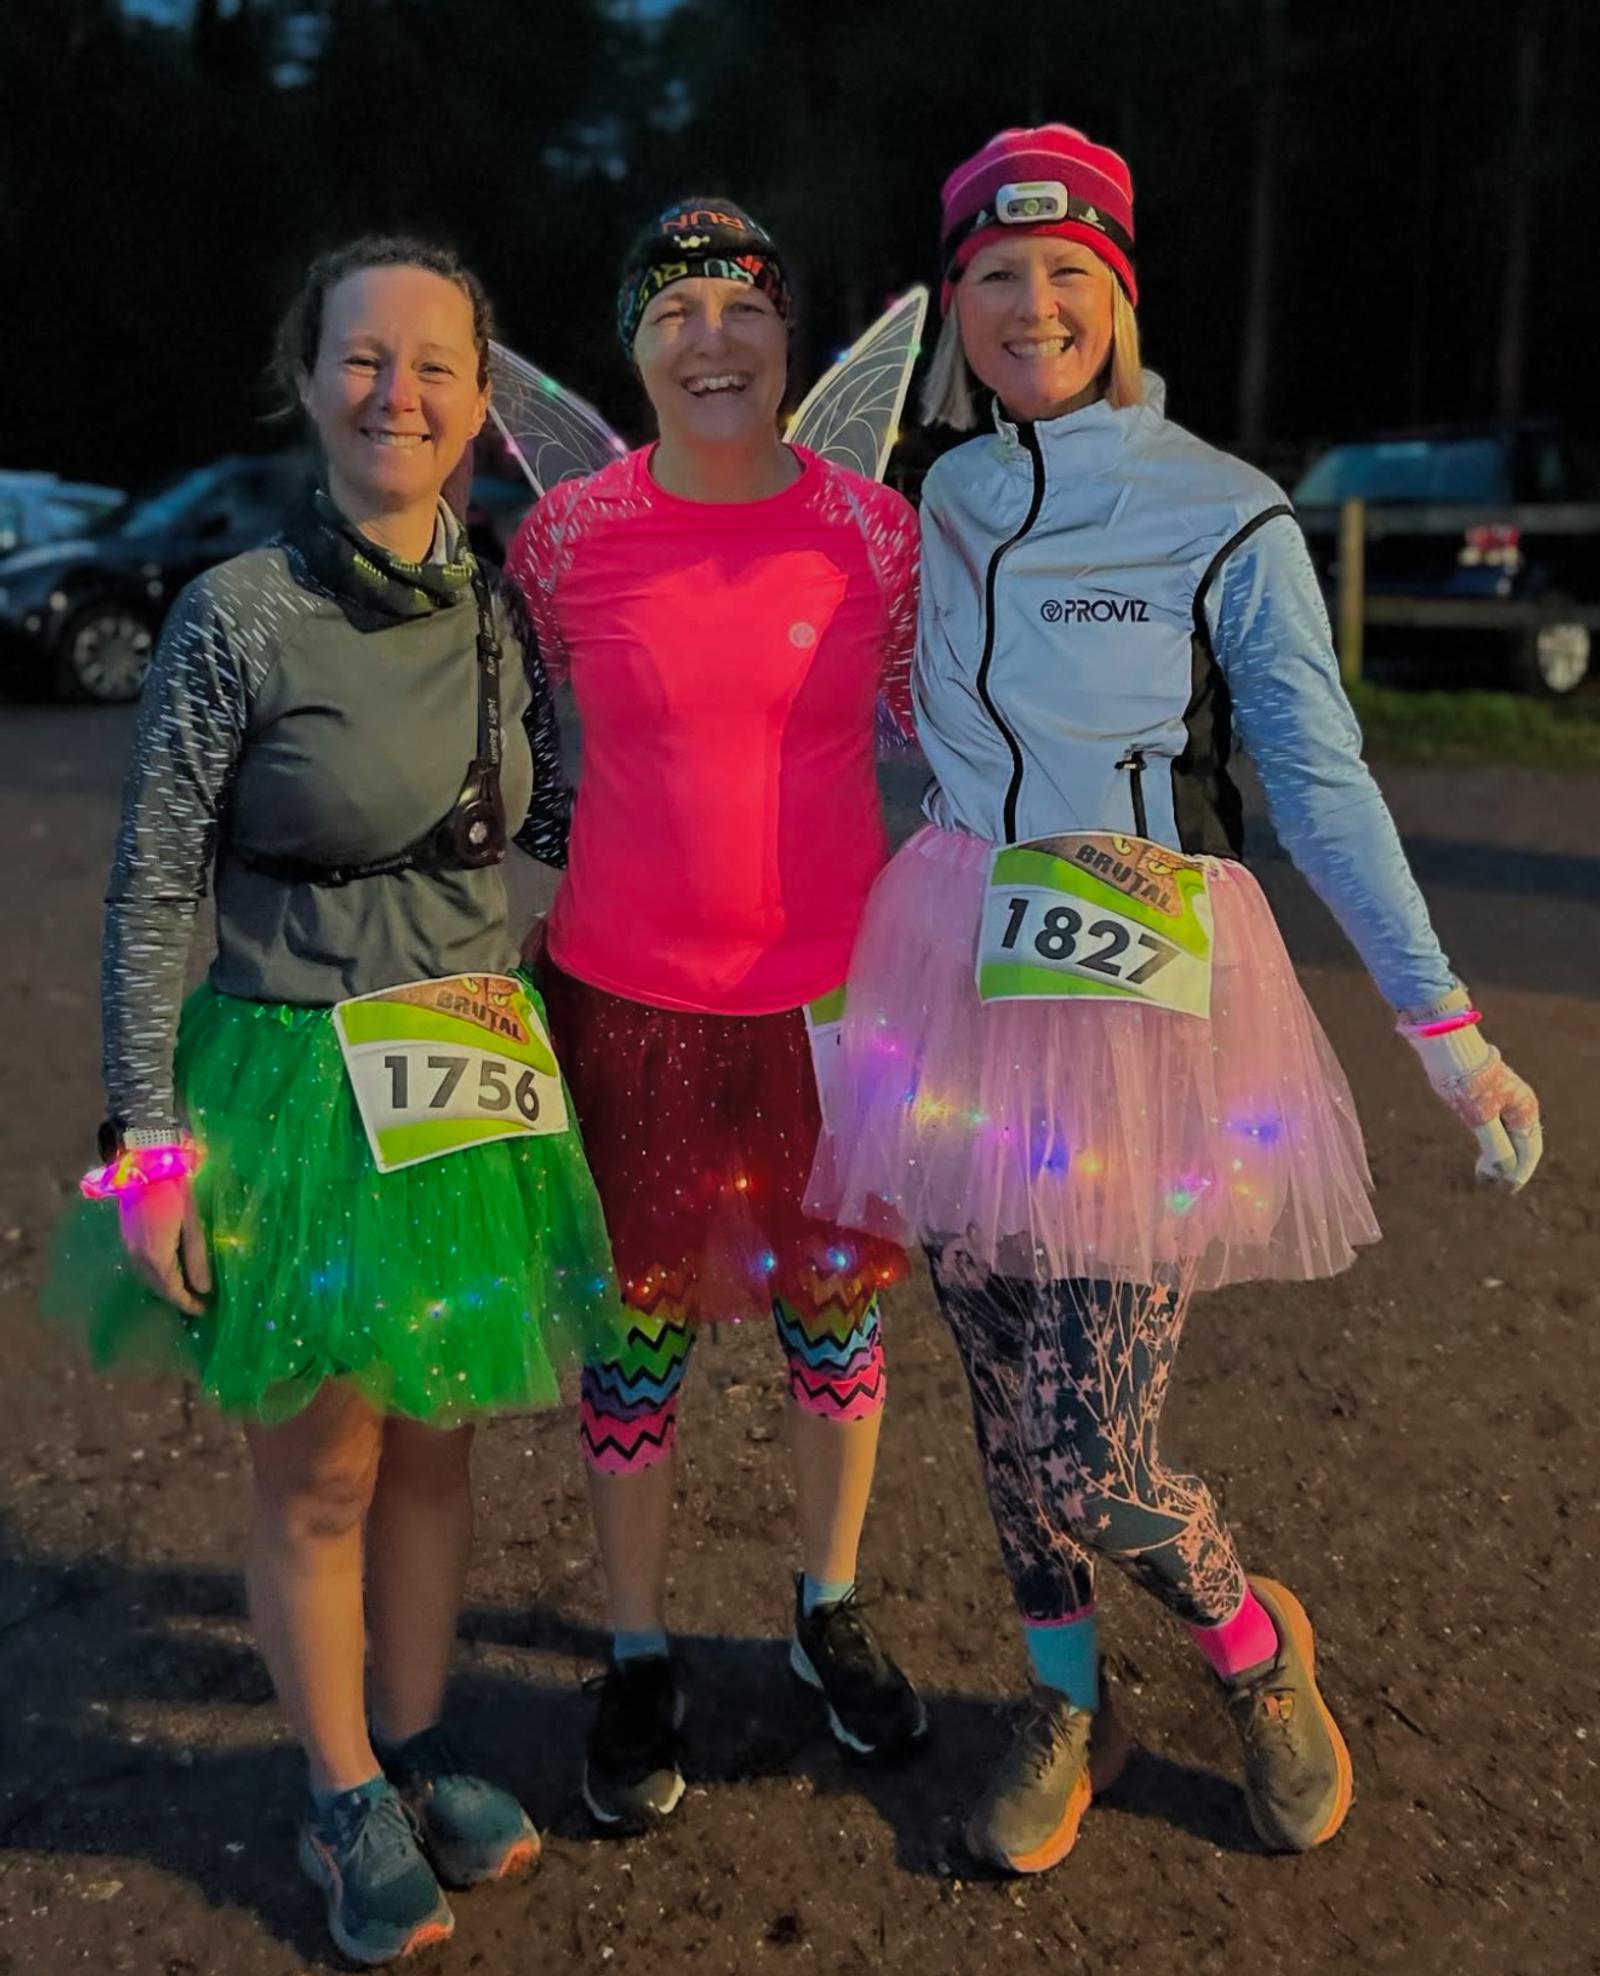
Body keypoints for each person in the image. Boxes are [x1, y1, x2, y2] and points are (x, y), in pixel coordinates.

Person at [807, 125, 1542, 1875]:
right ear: (955, 303)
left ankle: (1251, 1649)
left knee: (1093, 1439)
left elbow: (1323, 778)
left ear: (1122, 291)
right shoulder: (934, 499)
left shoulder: (1228, 509)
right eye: (993, 273)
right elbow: (882, 702)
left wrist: (1452, 1035)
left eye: (1068, 273)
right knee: (1000, 1400)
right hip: (960, 967)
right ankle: (1069, 1701)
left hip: (1146, 1009)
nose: (1029, 304)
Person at [47, 236, 623, 1965]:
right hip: (295, 1076)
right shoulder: (237, 614)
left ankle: (419, 1734)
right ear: (307, 380)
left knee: (439, 1427)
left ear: (479, 403)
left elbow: (560, 828)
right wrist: (143, 1148)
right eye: (364, 358)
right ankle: (338, 1788)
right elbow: (154, 888)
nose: (401, 392)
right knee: (326, 1468)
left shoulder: (513, 604)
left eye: (436, 365)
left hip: (467, 1065)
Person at [505, 198, 927, 1832]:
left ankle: (829, 1606)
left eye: (741, 308)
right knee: (637, 1338)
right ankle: (634, 1648)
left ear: (789, 342)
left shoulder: (877, 532)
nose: (710, 338)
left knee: (840, 1322)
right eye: (673, 310)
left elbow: (941, 720)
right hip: (628, 1002)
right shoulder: (563, 537)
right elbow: (531, 729)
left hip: (832, 999)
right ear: (634, 348)